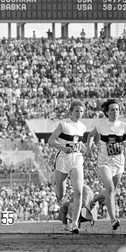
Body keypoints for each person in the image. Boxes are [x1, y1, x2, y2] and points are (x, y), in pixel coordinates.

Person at [86, 99, 126, 231]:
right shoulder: (101, 125)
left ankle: (95, 199)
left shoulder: (124, 127)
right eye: (112, 110)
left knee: (111, 192)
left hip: (119, 164)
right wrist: (89, 148)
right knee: (110, 189)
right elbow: (90, 135)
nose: (115, 112)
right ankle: (113, 219)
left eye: (117, 109)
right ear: (107, 112)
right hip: (104, 162)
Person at [48, 100, 88, 234]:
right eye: (77, 111)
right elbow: (51, 141)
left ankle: (74, 223)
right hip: (63, 159)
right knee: (61, 194)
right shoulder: (63, 125)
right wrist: (63, 148)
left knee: (78, 191)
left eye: (81, 111)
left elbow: (79, 143)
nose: (79, 114)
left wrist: (86, 149)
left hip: (76, 159)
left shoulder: (82, 127)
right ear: (71, 112)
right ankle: (63, 206)